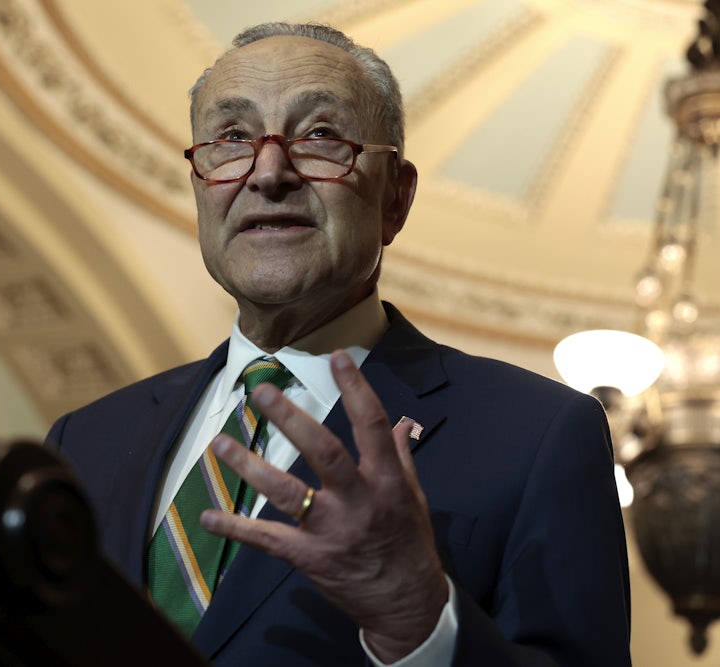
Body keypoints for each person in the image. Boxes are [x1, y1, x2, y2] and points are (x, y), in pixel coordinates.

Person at [47, 22, 631, 666]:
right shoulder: (85, 440)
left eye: (320, 135)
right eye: (232, 137)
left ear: (395, 199)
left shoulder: (537, 433)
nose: (269, 172)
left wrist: (419, 623)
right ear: (198, 184)